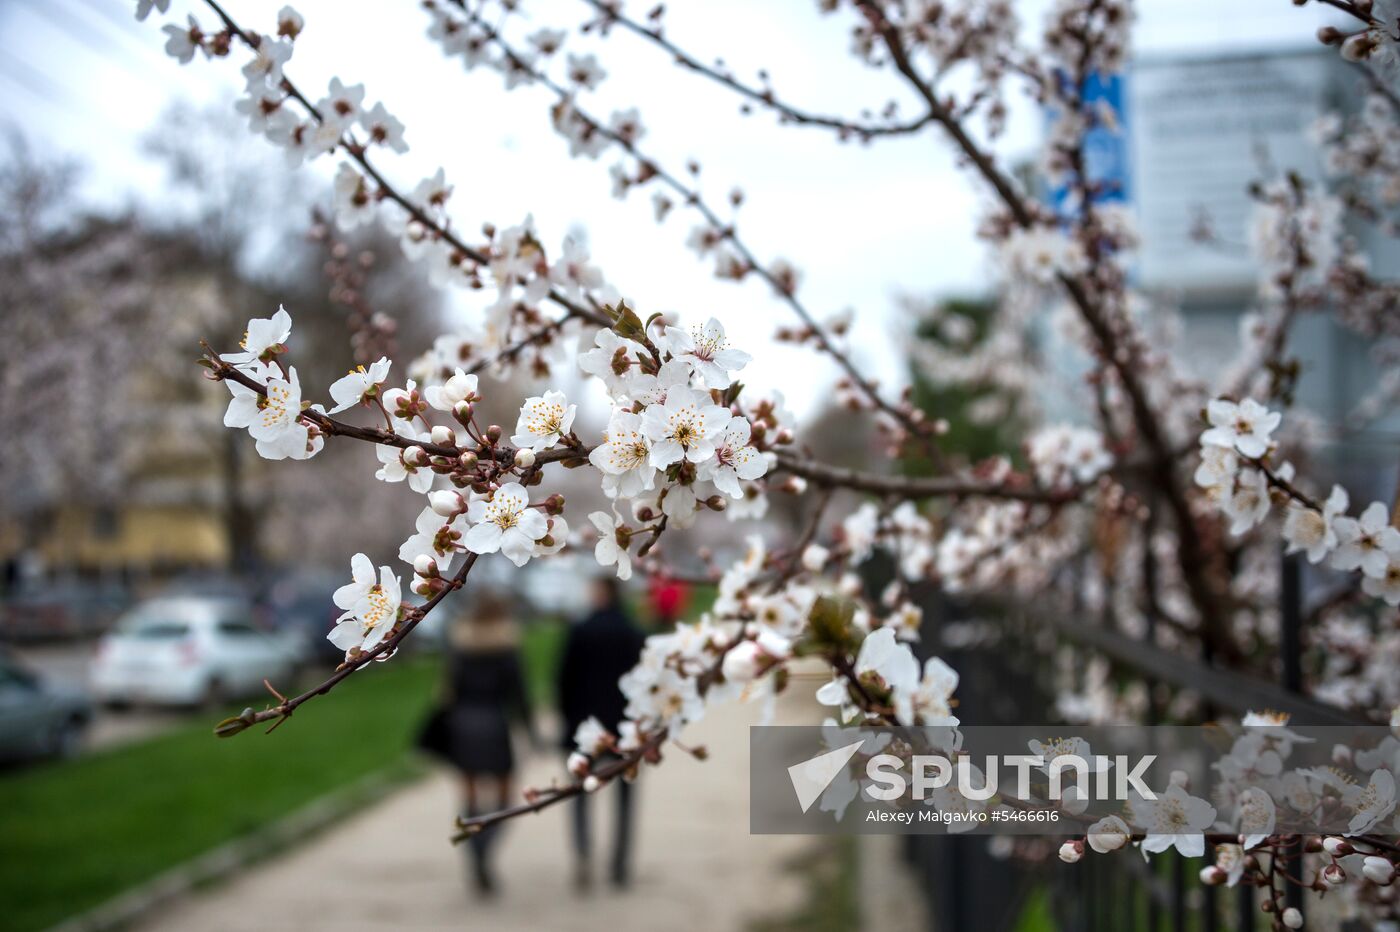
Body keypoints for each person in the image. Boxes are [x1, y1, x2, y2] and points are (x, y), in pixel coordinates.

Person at [442, 590, 534, 896]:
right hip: (495, 725)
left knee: (469, 799)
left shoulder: (461, 646)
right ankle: (484, 850)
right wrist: (530, 732)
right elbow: (519, 695)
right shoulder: (506, 648)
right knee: (504, 800)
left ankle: (475, 856)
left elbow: (449, 691)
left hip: (464, 726)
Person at [557, 576, 647, 890]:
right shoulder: (633, 632)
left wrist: (566, 721)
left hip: (584, 725)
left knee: (580, 792)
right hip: (624, 727)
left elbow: (564, 681)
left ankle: (583, 854)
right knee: (625, 794)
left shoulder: (580, 631)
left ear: (601, 594)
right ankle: (620, 862)